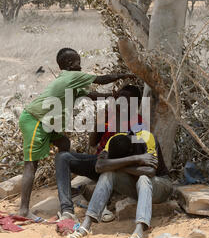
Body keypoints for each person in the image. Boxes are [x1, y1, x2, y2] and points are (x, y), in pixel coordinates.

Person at [18, 48, 132, 219]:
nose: (80, 65)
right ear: (70, 64)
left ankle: (66, 185)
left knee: (64, 144)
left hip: (47, 123)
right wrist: (124, 75)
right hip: (36, 120)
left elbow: (91, 94)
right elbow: (100, 80)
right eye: (78, 62)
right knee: (31, 164)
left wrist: (113, 95)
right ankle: (24, 210)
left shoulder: (70, 81)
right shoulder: (72, 76)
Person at [64, 130, 174, 238]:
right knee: (107, 174)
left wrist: (115, 165)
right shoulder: (113, 140)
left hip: (160, 184)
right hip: (136, 187)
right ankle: (86, 225)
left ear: (131, 150)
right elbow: (99, 166)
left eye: (125, 159)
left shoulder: (146, 138)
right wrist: (135, 159)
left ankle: (140, 229)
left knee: (143, 178)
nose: (120, 163)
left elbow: (150, 171)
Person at [55, 85, 144, 222]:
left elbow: (132, 153)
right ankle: (67, 210)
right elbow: (92, 142)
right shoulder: (110, 115)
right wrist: (101, 119)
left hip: (116, 167)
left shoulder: (138, 122)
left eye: (125, 100)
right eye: (119, 98)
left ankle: (102, 204)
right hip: (98, 161)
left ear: (135, 103)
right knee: (62, 157)